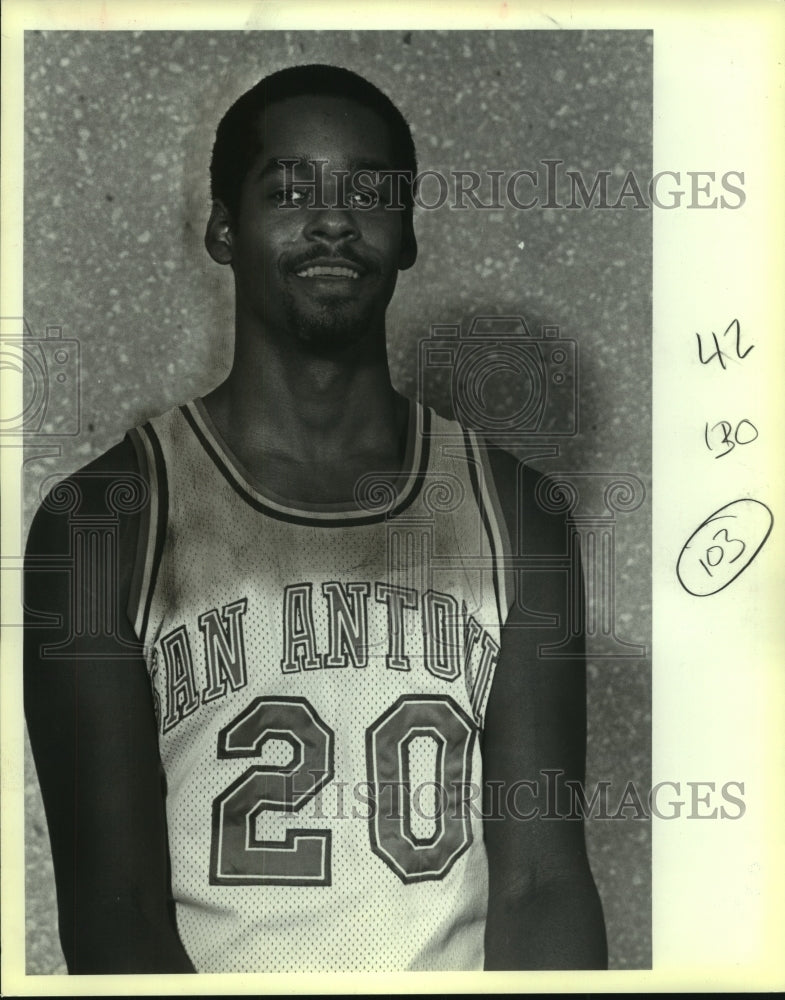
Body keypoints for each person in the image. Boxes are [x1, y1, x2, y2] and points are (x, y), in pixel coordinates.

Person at [24, 64, 607, 974]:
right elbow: (113, 911)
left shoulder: (516, 513)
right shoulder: (105, 517)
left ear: (407, 233)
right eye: (289, 188)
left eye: (368, 193)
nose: (332, 219)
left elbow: (544, 885)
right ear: (224, 228)